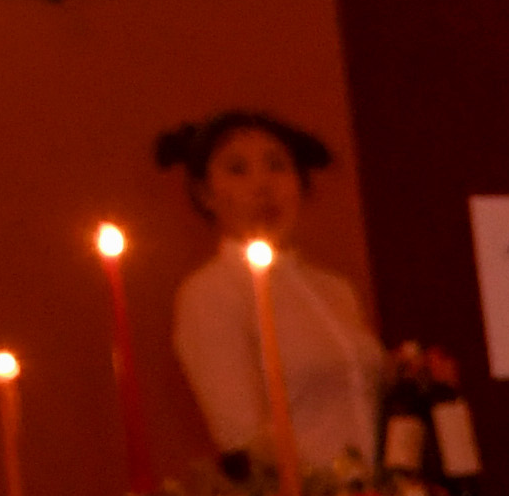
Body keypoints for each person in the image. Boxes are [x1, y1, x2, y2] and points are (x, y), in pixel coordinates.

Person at [155, 110, 387, 472]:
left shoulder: (335, 289)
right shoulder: (212, 293)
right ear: (206, 194)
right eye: (237, 170)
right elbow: (240, 431)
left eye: (277, 166)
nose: (263, 186)